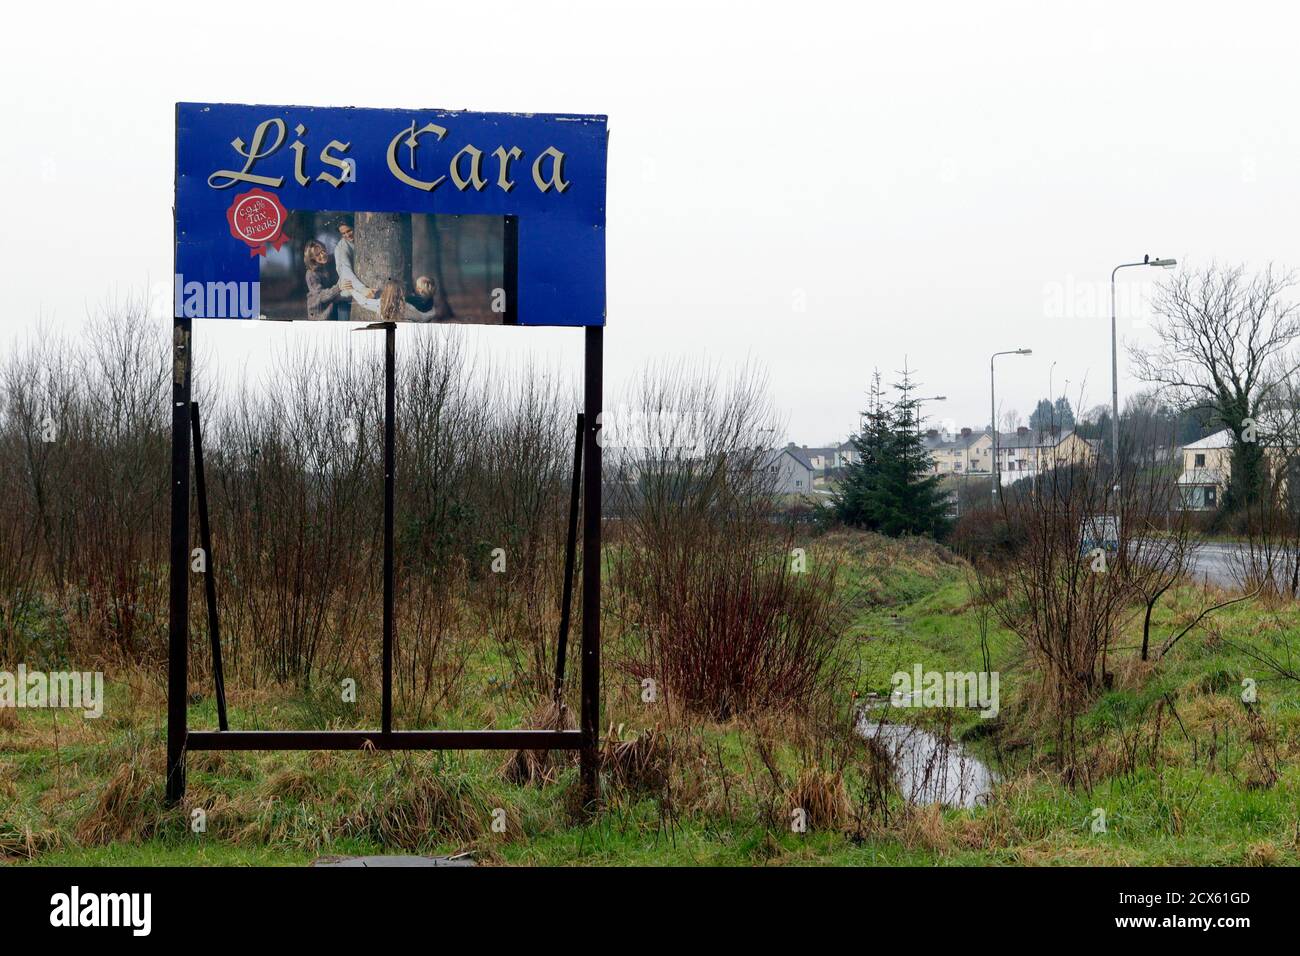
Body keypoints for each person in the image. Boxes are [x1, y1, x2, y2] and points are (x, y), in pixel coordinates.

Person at [303, 240, 348, 321]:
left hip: (334, 304)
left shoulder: (331, 262)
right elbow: (321, 296)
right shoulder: (311, 274)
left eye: (323, 251)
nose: (323, 255)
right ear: (312, 258)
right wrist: (338, 287)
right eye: (317, 255)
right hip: (320, 313)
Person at [334, 222, 375, 304]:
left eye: (349, 231)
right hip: (347, 295)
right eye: (343, 233)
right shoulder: (341, 248)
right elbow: (346, 272)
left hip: (361, 294)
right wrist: (363, 289)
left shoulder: (363, 240)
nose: (347, 235)